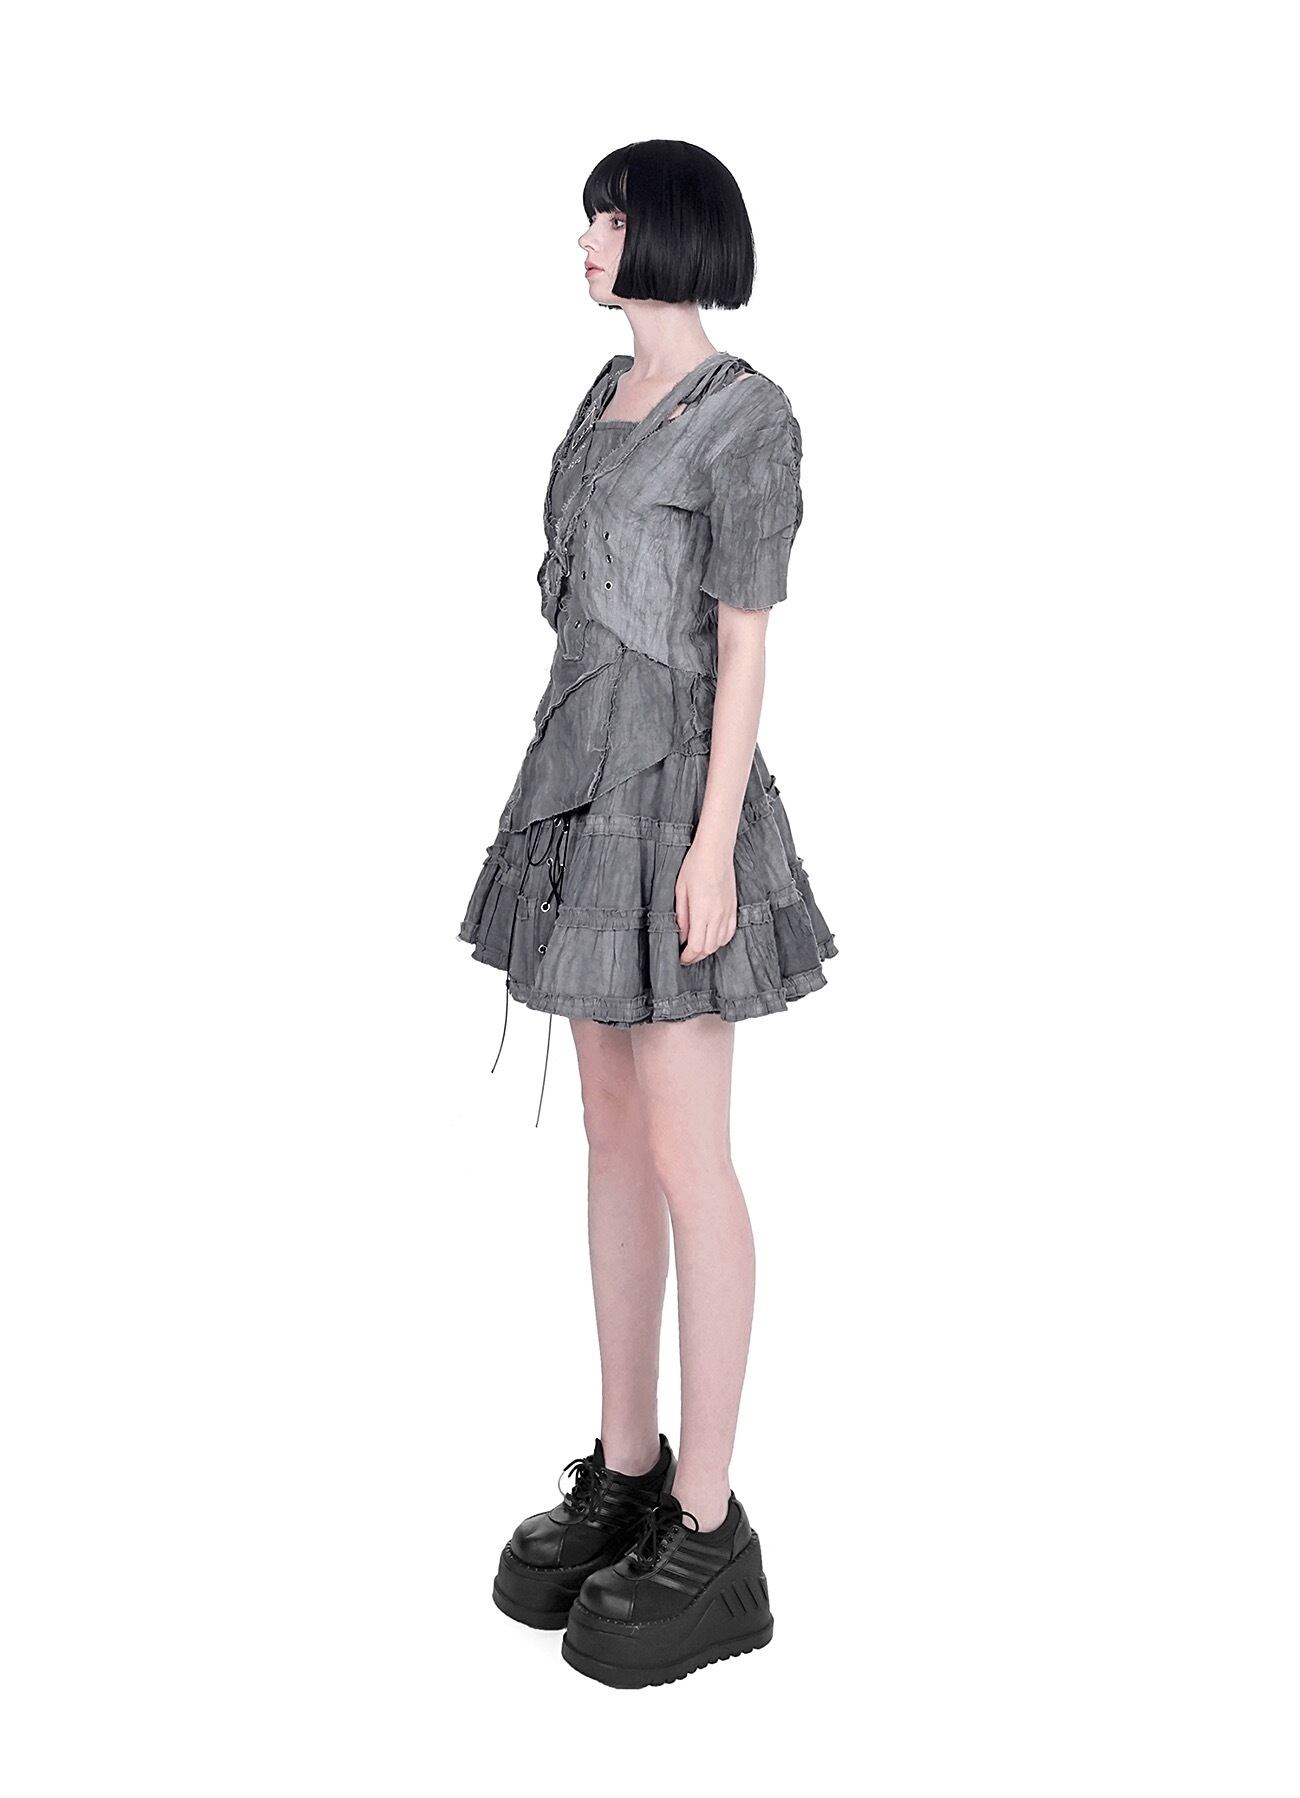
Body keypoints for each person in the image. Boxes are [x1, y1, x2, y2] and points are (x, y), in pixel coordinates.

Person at [458, 139, 838, 1687]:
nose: (587, 244)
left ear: (669, 232)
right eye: (588, 222)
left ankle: (709, 1522)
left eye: (606, 220)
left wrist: (710, 843)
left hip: (680, 801)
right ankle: (627, 1469)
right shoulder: (600, 396)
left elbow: (743, 646)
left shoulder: (749, 415)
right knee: (612, 1138)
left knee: (690, 1153)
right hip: (578, 789)